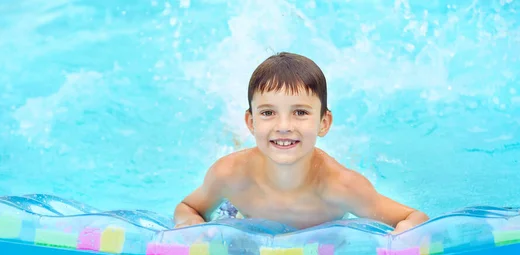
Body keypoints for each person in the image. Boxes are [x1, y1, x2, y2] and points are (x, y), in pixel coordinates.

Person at [173, 52, 429, 234]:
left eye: (300, 112)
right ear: (251, 122)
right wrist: (190, 224)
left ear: (323, 123)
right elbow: (188, 207)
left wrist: (403, 233)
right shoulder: (230, 174)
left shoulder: (342, 187)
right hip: (238, 212)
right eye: (267, 113)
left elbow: (413, 217)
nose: (284, 126)